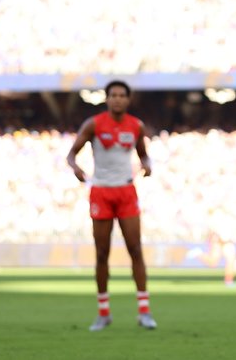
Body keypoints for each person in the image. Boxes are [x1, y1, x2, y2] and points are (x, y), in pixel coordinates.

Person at [66, 80, 158, 331]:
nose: (117, 99)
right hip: (101, 192)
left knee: (135, 249)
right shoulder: (94, 124)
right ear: (106, 99)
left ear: (128, 100)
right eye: (113, 95)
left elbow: (143, 154)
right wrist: (75, 167)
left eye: (122, 95)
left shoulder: (136, 126)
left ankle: (144, 311)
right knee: (102, 253)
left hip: (126, 191)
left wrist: (148, 165)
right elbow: (71, 154)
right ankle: (103, 312)